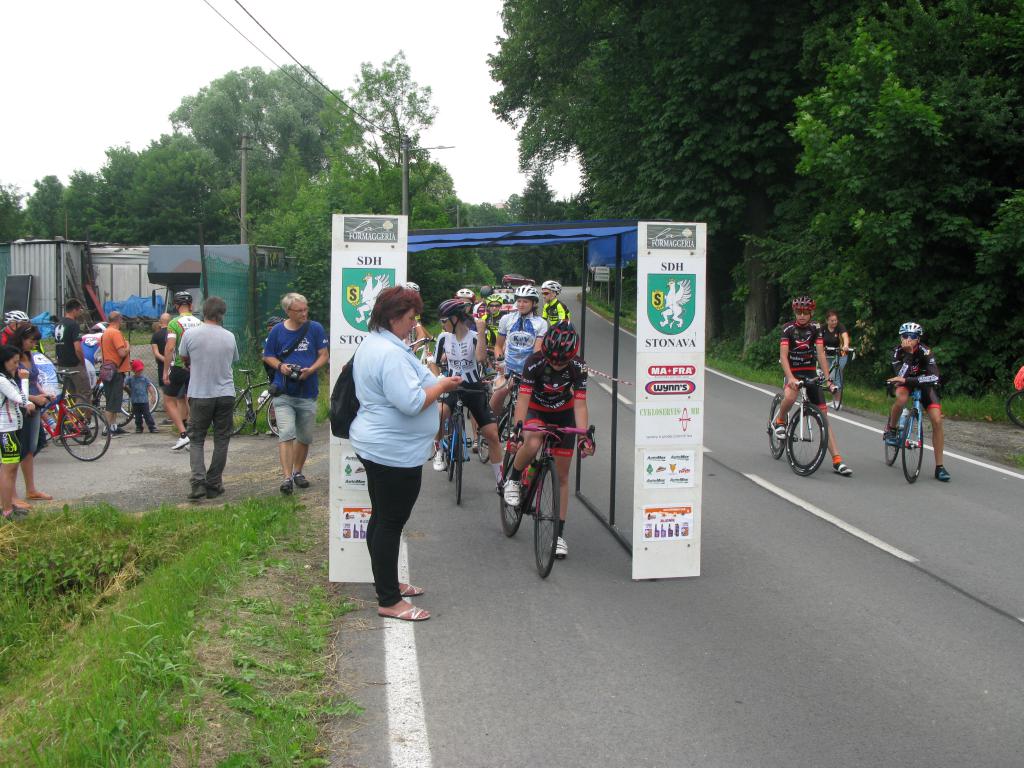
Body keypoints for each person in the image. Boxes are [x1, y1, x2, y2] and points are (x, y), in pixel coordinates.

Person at [349, 285, 462, 621]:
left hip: (382, 446)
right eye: (411, 318)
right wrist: (442, 386)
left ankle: (386, 583)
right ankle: (389, 600)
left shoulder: (377, 343)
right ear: (393, 317)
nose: (414, 324)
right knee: (390, 522)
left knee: (382, 517)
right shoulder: (389, 353)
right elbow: (411, 403)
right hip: (392, 452)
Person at [502, 322, 594, 559]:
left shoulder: (579, 366)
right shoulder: (534, 362)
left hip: (564, 412)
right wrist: (517, 429)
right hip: (536, 409)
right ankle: (513, 479)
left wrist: (583, 436)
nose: (556, 365)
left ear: (571, 357)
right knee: (533, 442)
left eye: (561, 363)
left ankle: (558, 536)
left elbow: (580, 405)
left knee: (562, 477)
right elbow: (523, 400)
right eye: (552, 360)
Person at [771, 296, 852, 476]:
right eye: (798, 312)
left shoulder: (815, 328)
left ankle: (837, 460)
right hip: (792, 371)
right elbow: (783, 356)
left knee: (824, 416)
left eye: (805, 312)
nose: (801, 315)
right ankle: (780, 420)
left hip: (809, 372)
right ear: (795, 312)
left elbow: (821, 354)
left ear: (811, 313)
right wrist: (790, 378)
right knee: (790, 396)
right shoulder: (788, 329)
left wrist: (828, 379)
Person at [427, 299, 505, 483]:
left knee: (492, 435)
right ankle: (438, 451)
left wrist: (481, 331)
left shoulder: (474, 336)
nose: (442, 324)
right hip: (451, 386)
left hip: (474, 388)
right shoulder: (443, 337)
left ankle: (501, 481)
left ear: (455, 318)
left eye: (444, 320)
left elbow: (480, 358)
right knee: (439, 414)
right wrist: (439, 378)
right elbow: (434, 363)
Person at [262, 292, 329, 494]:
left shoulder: (315, 328)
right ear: (288, 311)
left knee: (305, 437)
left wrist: (311, 369)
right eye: (299, 310)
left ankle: (298, 471)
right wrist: (280, 366)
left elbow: (324, 355)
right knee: (286, 433)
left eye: (305, 309)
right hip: (283, 392)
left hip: (308, 391)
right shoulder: (277, 331)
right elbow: (268, 356)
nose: (304, 313)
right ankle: (286, 478)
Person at [180, 296, 239, 500]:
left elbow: (184, 357)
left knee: (197, 438)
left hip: (200, 392)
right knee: (221, 438)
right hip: (225, 393)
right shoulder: (229, 336)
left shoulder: (190, 334)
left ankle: (198, 483)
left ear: (203, 312)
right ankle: (214, 483)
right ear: (222, 314)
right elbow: (233, 359)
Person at [884, 322, 950, 482]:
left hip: (924, 384)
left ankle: (940, 466)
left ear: (918, 339)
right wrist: (908, 355)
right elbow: (900, 376)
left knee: (937, 420)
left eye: (913, 336)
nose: (908, 339)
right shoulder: (897, 352)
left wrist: (910, 380)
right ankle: (891, 428)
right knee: (901, 398)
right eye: (905, 336)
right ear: (900, 337)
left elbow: (935, 376)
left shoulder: (926, 352)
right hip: (905, 384)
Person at [489, 284, 548, 419]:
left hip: (528, 371)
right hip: (507, 369)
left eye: (525, 301)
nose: (521, 304)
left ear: (534, 303)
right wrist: (500, 362)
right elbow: (498, 346)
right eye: (519, 300)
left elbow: (537, 352)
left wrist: (531, 371)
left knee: (530, 408)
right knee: (495, 401)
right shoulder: (506, 319)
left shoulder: (541, 323)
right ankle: (491, 427)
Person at [12, 325, 52, 503]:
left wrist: (43, 393)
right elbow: (10, 387)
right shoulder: (12, 357)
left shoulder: (29, 355)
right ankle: (11, 494)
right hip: (20, 407)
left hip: (35, 406)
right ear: (21, 339)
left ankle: (30, 489)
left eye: (36, 341)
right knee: (20, 451)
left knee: (33, 446)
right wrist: (34, 398)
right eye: (31, 340)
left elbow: (34, 380)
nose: (34, 344)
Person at [163, 292, 202, 451]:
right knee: (190, 400)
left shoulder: (174, 323)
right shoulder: (200, 323)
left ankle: (183, 434)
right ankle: (193, 435)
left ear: (176, 306)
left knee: (168, 400)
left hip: (180, 366)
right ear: (191, 306)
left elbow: (170, 348)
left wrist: (165, 371)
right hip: (196, 368)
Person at [0, 344, 33, 520]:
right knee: (9, 469)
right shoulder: (2, 380)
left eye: (18, 362)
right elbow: (21, 399)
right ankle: (6, 510)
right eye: (14, 362)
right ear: (4, 362)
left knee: (11, 469)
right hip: (6, 430)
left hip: (13, 428)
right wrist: (25, 380)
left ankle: (8, 505)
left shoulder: (8, 378)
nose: (17, 366)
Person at [99, 312, 131, 437]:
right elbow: (122, 353)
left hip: (108, 370)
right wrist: (128, 346)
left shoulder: (105, 333)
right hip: (116, 371)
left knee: (111, 399)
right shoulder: (116, 333)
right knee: (113, 401)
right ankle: (107, 429)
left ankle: (113, 426)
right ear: (119, 319)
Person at [53, 299, 89, 400]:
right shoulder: (73, 325)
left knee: (70, 395)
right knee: (84, 393)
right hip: (74, 365)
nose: (80, 312)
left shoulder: (58, 324)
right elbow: (77, 348)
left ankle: (71, 410)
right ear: (74, 310)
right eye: (79, 310)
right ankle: (82, 411)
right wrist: (82, 362)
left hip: (61, 364)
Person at [127, 359, 157, 433]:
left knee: (147, 415)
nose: (139, 372)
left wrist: (153, 395)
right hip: (135, 401)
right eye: (137, 370)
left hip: (144, 401)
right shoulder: (130, 379)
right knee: (137, 416)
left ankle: (152, 427)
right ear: (133, 370)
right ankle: (139, 427)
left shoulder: (145, 379)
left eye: (140, 370)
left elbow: (149, 387)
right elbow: (123, 383)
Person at [822, 309, 852, 383]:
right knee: (829, 375)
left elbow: (845, 336)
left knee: (833, 375)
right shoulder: (823, 328)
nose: (834, 322)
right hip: (828, 356)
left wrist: (845, 345)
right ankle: (838, 388)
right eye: (832, 321)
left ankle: (836, 388)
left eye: (835, 320)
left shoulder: (840, 326)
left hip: (840, 355)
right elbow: (818, 339)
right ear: (827, 321)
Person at [150, 312, 171, 390]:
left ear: (160, 321)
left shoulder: (156, 335)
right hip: (175, 365)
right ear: (170, 321)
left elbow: (156, 353)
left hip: (162, 366)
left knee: (164, 390)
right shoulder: (173, 333)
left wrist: (166, 360)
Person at [81, 322, 105, 389]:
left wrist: (97, 359)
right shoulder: (103, 336)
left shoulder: (84, 336)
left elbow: (87, 350)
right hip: (88, 360)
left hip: (79, 358)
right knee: (91, 386)